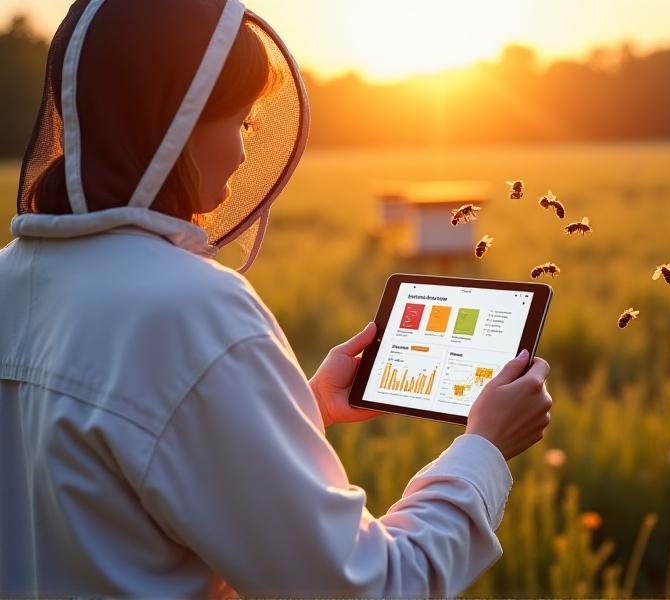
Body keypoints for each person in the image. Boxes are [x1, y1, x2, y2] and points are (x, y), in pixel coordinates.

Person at [0, 0, 553, 597]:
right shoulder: (194, 310)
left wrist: (299, 409)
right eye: (240, 123)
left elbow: (109, 475)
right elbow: (371, 586)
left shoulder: (10, 278)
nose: (243, 154)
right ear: (175, 121)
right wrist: (484, 450)